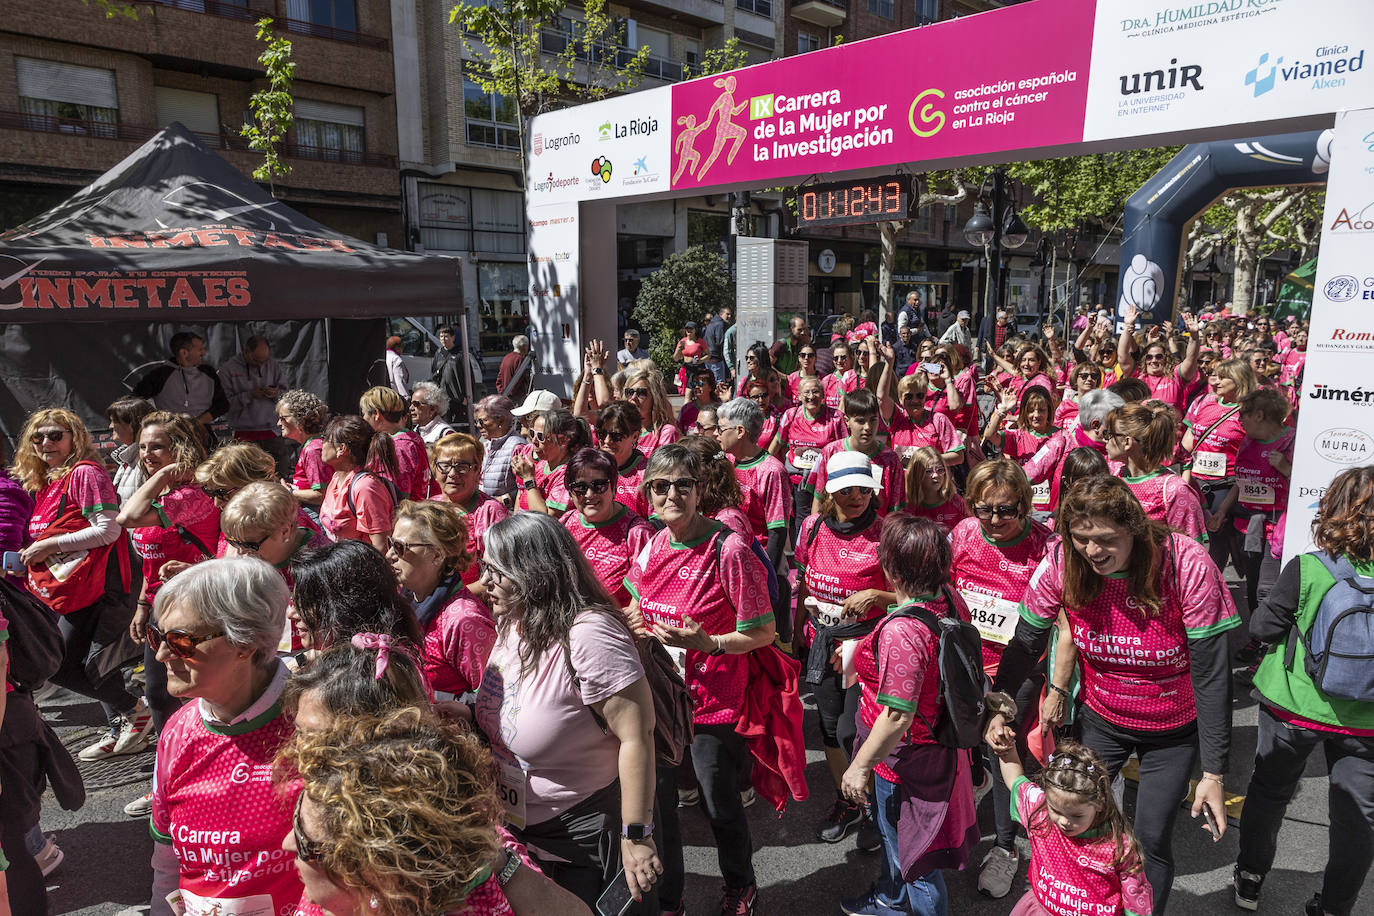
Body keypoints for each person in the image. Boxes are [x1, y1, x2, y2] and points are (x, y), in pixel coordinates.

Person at [990, 476, 1239, 912]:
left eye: (1106, 539)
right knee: (1072, 819)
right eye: (1082, 539)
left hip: (1172, 728)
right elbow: (1026, 642)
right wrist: (999, 705)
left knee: (1149, 837)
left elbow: (1212, 673)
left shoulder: (1186, 562)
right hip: (1103, 717)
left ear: (1135, 531)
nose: (1093, 551)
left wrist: (1214, 775)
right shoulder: (1063, 561)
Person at [475, 513, 660, 908]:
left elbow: (637, 736)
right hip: (521, 826)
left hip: (585, 835)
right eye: (483, 566)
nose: (483, 581)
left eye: (495, 570)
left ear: (532, 572)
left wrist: (637, 836)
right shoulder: (513, 619)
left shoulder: (589, 635)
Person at [625, 443, 778, 916]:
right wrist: (631, 621)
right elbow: (635, 602)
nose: (672, 494)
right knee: (662, 811)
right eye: (661, 486)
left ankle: (741, 886)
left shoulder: (728, 548)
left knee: (720, 807)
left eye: (683, 486)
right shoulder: (653, 543)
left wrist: (708, 643)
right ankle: (671, 900)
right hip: (661, 701)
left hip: (714, 705)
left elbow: (764, 632)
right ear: (649, 494)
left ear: (698, 492)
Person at [283, 704, 594, 916]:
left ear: (372, 868)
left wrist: (501, 865)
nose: (286, 843)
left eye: (304, 840)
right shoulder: (334, 894)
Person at [1233, 465, 1374, 916]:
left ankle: (1250, 879)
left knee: (1270, 792)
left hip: (1294, 705)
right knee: (1357, 820)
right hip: (1366, 720)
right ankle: (1335, 907)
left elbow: (1262, 627)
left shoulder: (1310, 566)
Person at [146, 557, 301, 916]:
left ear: (244, 644)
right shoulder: (179, 730)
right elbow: (167, 861)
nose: (160, 654)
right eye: (159, 636)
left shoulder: (313, 721)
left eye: (181, 641)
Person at [840, 514, 977, 916]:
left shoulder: (903, 632)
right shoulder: (950, 597)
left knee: (913, 859)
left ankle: (905, 901)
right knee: (899, 845)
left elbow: (897, 716)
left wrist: (860, 766)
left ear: (890, 567)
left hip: (903, 759)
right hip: (938, 743)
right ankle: (890, 898)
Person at [13, 408, 146, 762]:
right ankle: (125, 722)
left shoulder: (84, 473)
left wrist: (46, 546)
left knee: (60, 665)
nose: (45, 442)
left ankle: (136, 710)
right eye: (38, 437)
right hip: (71, 589)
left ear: (74, 437)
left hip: (98, 588)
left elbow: (109, 529)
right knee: (87, 665)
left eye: (56, 435)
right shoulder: (53, 479)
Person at [949, 459, 1053, 898]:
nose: (993, 520)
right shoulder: (964, 534)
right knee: (960, 739)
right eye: (984, 509)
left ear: (1026, 506)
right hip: (970, 661)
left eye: (1005, 511)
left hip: (1021, 667)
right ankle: (970, 799)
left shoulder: (1047, 546)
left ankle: (1006, 848)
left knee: (1000, 750)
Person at [793, 451, 892, 848]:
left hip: (869, 646)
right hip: (822, 643)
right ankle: (848, 802)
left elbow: (913, 598)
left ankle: (874, 809)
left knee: (858, 731)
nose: (856, 497)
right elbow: (802, 580)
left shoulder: (887, 532)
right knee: (830, 730)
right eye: (846, 490)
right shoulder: (813, 527)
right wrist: (799, 635)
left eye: (863, 489)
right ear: (830, 492)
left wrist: (877, 595)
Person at [119, 411, 218, 763]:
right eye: (143, 447)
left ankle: (195, 768)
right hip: (161, 608)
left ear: (183, 449)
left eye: (158, 447)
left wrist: (160, 475)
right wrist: (143, 606)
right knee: (158, 694)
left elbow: (126, 517)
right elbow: (153, 557)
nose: (146, 454)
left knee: (190, 694)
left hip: (195, 609)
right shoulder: (169, 494)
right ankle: (168, 771)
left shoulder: (188, 496)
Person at [985, 736, 1154, 916]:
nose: (1065, 821)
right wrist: (1006, 749)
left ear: (1100, 803)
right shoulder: (1040, 813)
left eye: (1076, 815)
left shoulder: (1120, 846)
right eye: (1056, 810)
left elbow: (1135, 903)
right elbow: (1015, 780)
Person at [388, 499, 495, 699]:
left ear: (437, 555)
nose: (389, 555)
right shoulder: (408, 594)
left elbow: (490, 697)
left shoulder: (464, 620)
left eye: (400, 547)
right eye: (390, 543)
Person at [1208, 387, 1294, 620]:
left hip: (1277, 529)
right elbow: (1241, 482)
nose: (1238, 419)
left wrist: (1287, 469)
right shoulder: (1248, 441)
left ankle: (1268, 644)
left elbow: (1307, 488)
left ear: (1259, 415)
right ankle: (1257, 638)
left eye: (1243, 413)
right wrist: (1223, 511)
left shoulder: (1292, 442)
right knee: (1252, 584)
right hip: (1248, 526)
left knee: (1267, 588)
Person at [1181, 358, 1257, 572]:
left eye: (1224, 377)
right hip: (1194, 481)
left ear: (1239, 380)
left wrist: (1224, 509)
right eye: (1217, 376)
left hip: (1226, 487)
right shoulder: (1204, 402)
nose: (1217, 381)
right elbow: (1188, 443)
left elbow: (1250, 464)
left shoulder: (1249, 413)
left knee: (1217, 544)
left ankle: (1212, 589)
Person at [288, 540, 422, 654]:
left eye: (305, 604)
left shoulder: (365, 677)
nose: (291, 614)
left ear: (345, 609)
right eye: (294, 602)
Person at [560, 447, 654, 608]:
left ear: (614, 487)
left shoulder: (638, 533)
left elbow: (644, 593)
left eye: (599, 485)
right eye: (580, 487)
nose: (589, 494)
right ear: (570, 492)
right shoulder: (566, 522)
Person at [1103, 403, 1206, 540]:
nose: (1105, 440)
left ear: (1127, 442)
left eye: (1109, 434)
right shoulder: (1114, 474)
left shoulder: (1174, 490)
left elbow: (1189, 549)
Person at [801, 388, 904, 519]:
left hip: (877, 535)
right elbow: (819, 500)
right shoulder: (830, 452)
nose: (867, 427)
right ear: (846, 420)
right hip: (836, 533)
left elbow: (896, 509)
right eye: (860, 421)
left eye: (873, 420)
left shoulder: (890, 459)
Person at [1023, 389, 1125, 513]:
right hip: (1060, 526)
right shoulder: (1060, 442)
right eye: (1115, 424)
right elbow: (1021, 477)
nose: (1121, 429)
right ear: (1096, 425)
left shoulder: (1117, 456)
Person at [431, 433, 509, 593]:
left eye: (462, 467)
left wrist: (447, 598)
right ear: (434, 468)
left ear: (477, 470)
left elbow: (501, 574)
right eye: (444, 466)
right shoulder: (429, 508)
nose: (452, 473)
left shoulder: (491, 511)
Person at [318, 415, 399, 552]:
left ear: (341, 449)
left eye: (325, 438)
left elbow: (381, 546)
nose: (321, 443)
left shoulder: (365, 488)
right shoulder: (336, 477)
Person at [132, 330, 229, 425]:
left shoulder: (209, 373)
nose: (204, 352)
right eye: (200, 349)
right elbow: (134, 400)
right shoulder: (161, 374)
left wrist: (197, 423)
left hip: (204, 434)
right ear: (184, 353)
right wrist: (158, 422)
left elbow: (222, 405)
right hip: (169, 436)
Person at [1116, 307, 1202, 413]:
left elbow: (1191, 359)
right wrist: (1128, 327)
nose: (1154, 360)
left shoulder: (1176, 376)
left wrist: (1194, 336)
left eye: (1159, 356)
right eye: (1149, 357)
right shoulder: (1138, 376)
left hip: (1171, 429)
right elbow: (1122, 357)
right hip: (1142, 429)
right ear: (1144, 359)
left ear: (1166, 358)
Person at [510, 408, 589, 516]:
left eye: (541, 436)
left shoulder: (569, 474)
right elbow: (522, 495)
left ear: (563, 440)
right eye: (532, 433)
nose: (533, 441)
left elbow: (546, 518)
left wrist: (528, 478)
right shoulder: (543, 463)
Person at [879, 369, 964, 468]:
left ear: (925, 397)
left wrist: (927, 461)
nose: (915, 400)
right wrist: (889, 363)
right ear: (900, 399)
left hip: (931, 480)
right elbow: (881, 397)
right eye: (909, 396)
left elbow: (958, 456)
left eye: (920, 396)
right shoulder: (897, 418)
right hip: (902, 481)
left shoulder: (939, 420)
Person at [361, 386, 430, 501]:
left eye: (364, 414)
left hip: (404, 515)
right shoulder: (412, 438)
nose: (363, 418)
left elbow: (399, 497)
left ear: (376, 414)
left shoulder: (397, 447)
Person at [219, 335, 286, 446]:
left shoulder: (274, 365)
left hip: (272, 431)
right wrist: (249, 395)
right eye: (256, 360)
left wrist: (276, 394)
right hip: (242, 433)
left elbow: (286, 397)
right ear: (246, 351)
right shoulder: (228, 370)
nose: (261, 365)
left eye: (264, 361)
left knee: (280, 463)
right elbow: (224, 405)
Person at [276, 389, 332, 513]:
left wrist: (290, 492)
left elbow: (321, 495)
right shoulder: (312, 446)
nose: (278, 423)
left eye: (283, 418)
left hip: (316, 515)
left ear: (301, 420)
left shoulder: (313, 450)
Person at [594, 401, 649, 518]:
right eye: (602, 434)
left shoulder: (648, 474)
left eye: (616, 436)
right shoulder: (590, 469)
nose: (607, 441)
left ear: (634, 436)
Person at [905, 445, 968, 531]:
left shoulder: (956, 502)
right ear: (916, 475)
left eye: (940, 470)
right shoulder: (909, 506)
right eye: (928, 471)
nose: (935, 475)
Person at [104, 395, 154, 505]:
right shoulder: (128, 459)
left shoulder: (148, 461)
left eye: (114, 421)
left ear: (131, 424)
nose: (110, 426)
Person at [475, 394, 525, 502]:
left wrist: (500, 502)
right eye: (477, 421)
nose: (478, 425)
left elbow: (524, 489)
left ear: (501, 420)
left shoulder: (517, 447)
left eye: (482, 421)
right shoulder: (486, 444)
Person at [623, 367, 681, 455]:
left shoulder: (666, 433)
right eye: (630, 392)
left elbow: (662, 468)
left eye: (641, 393)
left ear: (655, 398)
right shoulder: (622, 430)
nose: (633, 398)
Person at [430, 323, 469, 425]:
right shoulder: (439, 353)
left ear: (453, 337)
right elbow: (434, 372)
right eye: (441, 336)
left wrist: (466, 396)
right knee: (445, 424)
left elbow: (468, 376)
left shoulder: (460, 354)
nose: (443, 339)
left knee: (460, 425)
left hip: (458, 398)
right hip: (443, 397)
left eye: (446, 336)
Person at [678, 364, 721, 433]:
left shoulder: (719, 409)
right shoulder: (686, 410)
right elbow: (679, 432)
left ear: (710, 387)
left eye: (700, 384)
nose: (696, 387)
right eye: (694, 384)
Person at [497, 335, 535, 403]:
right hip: (516, 397)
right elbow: (519, 379)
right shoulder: (519, 359)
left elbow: (499, 378)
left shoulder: (506, 357)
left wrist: (502, 392)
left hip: (505, 396)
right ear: (524, 346)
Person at [703, 306, 732, 385]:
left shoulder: (711, 324)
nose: (729, 317)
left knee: (711, 384)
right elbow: (720, 342)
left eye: (730, 315)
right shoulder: (720, 324)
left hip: (708, 359)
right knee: (720, 384)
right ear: (721, 314)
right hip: (716, 359)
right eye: (727, 314)